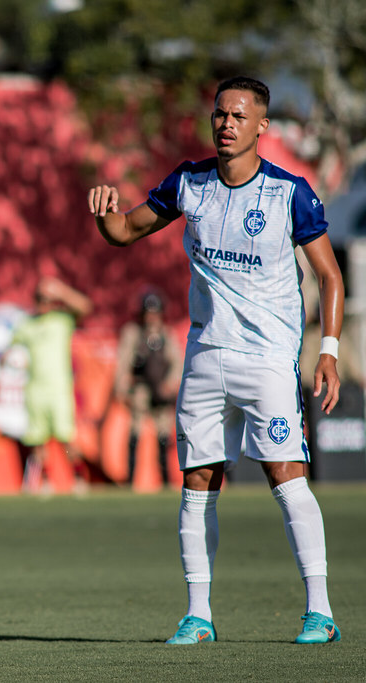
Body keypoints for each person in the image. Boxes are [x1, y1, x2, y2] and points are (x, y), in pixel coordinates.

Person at [88, 76, 344, 645]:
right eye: (219, 115)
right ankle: (198, 616)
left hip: (270, 360)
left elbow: (329, 275)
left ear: (261, 127)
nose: (226, 124)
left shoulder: (290, 192)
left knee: (286, 478)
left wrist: (327, 350)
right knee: (198, 484)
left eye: (238, 116)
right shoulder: (189, 181)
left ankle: (320, 612)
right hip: (204, 357)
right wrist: (107, 220)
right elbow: (127, 230)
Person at [13, 276, 92, 493]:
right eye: (40, 298)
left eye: (48, 299)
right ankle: (46, 482)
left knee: (67, 438)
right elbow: (10, 351)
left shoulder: (61, 320)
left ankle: (78, 478)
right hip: (35, 390)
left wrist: (62, 291)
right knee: (38, 440)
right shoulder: (26, 325)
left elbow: (86, 307)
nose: (43, 304)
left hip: (59, 390)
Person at [112, 289, 182, 487]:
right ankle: (130, 480)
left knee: (163, 435)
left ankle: (166, 480)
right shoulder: (134, 333)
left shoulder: (166, 335)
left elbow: (176, 362)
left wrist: (169, 384)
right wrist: (122, 388)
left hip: (161, 390)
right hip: (141, 389)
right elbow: (123, 362)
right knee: (135, 431)